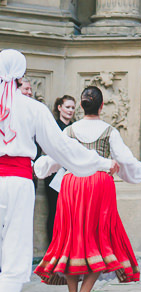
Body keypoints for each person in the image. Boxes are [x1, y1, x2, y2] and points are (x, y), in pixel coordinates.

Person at [0, 50, 118, 292]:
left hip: (16, 178)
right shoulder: (32, 108)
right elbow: (63, 149)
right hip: (17, 183)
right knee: (14, 260)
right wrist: (101, 162)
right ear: (21, 76)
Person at [34, 86, 141, 292]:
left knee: (73, 236)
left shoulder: (69, 131)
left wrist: (39, 167)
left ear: (81, 106)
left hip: (70, 183)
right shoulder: (109, 131)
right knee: (100, 236)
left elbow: (52, 160)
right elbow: (125, 161)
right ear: (101, 106)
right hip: (98, 184)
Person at [44, 95, 76, 242]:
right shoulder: (53, 126)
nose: (70, 110)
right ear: (59, 108)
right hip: (55, 174)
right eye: (67, 107)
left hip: (71, 174)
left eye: (73, 108)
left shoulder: (75, 128)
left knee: (71, 212)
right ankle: (53, 246)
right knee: (54, 210)